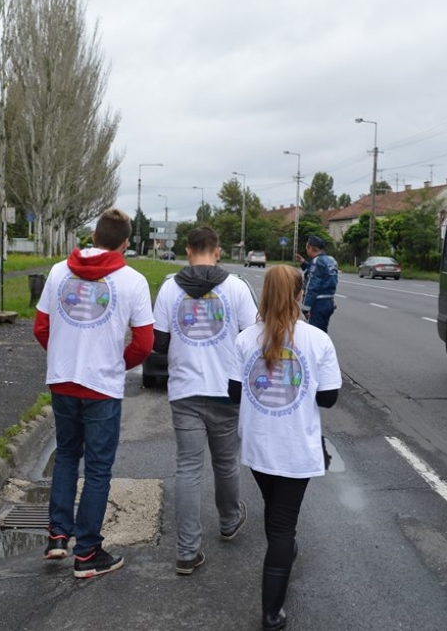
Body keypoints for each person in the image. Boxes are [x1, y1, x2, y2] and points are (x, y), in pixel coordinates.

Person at [33, 207, 154, 579]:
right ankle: (87, 552)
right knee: (98, 468)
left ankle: (57, 535)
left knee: (67, 455)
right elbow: (145, 343)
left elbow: (41, 327)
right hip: (102, 385)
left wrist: (63, 355)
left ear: (94, 236)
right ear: (125, 243)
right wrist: (116, 361)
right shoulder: (133, 281)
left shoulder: (58, 271)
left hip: (63, 379)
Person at [228, 264, 342, 631]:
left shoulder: (246, 339)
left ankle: (285, 549)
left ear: (264, 295)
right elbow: (328, 398)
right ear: (297, 296)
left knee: (276, 513)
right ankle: (271, 613)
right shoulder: (317, 340)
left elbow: (233, 392)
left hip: (259, 447)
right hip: (296, 447)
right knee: (282, 525)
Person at [152, 226, 259, 576]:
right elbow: (252, 339)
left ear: (187, 251)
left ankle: (187, 552)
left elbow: (160, 343)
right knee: (226, 462)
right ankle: (229, 521)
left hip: (185, 391)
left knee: (188, 469)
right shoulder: (237, 288)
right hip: (227, 390)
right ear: (217, 251)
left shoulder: (169, 288)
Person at [300, 235, 338, 333]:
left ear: (310, 248)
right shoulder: (331, 260)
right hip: (328, 301)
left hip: (318, 303)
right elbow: (327, 277)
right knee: (323, 331)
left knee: (315, 332)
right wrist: (304, 263)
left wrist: (305, 307)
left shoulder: (316, 262)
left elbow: (312, 285)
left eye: (306, 247)